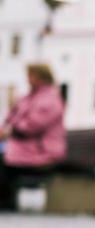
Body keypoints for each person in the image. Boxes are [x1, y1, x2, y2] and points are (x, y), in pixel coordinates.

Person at [0, 64, 66, 211]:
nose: (28, 79)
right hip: (27, 149)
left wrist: (9, 131)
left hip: (43, 152)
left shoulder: (49, 99)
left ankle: (5, 204)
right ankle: (5, 202)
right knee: (4, 160)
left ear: (41, 77)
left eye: (31, 75)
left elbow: (32, 126)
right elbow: (12, 117)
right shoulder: (29, 97)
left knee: (3, 163)